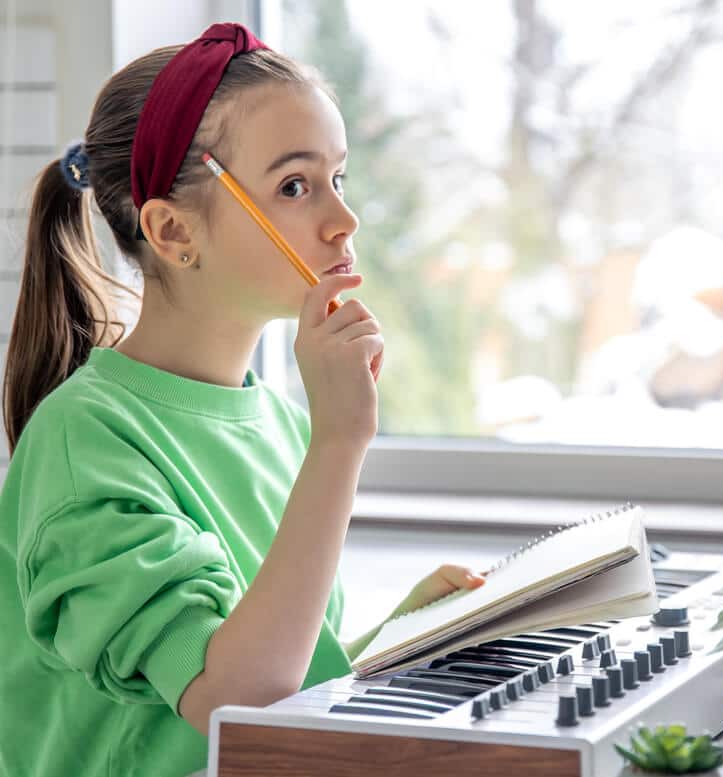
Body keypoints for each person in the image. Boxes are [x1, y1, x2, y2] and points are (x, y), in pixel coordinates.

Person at [0, 23, 483, 777]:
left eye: (339, 178)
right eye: (294, 185)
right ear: (171, 231)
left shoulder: (281, 424)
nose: (343, 220)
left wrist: (401, 633)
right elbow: (237, 703)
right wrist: (341, 442)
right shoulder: (87, 442)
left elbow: (277, 681)